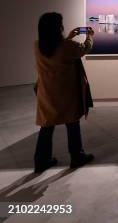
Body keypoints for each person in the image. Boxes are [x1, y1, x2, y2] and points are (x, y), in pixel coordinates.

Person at [33, 12, 95, 173]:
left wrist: (68, 37)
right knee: (72, 124)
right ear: (57, 28)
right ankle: (77, 157)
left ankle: (41, 161)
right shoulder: (68, 46)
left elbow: (57, 51)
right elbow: (84, 48)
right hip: (66, 94)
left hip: (46, 94)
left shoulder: (37, 46)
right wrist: (89, 36)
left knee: (46, 127)